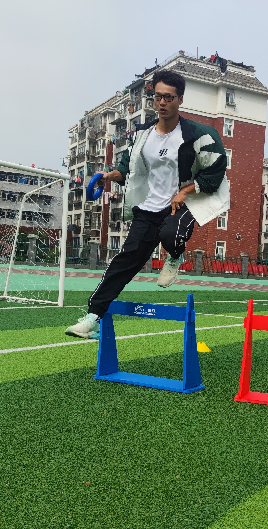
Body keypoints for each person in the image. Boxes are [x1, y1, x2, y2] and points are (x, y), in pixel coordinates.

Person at [65, 70, 230, 338]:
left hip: (180, 205)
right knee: (124, 262)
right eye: (158, 97)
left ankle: (175, 255)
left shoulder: (197, 134)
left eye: (169, 97)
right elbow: (127, 169)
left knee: (170, 234)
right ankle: (92, 317)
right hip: (148, 208)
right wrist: (109, 176)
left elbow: (216, 169)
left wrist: (186, 191)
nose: (162, 102)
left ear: (180, 100)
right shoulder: (142, 134)